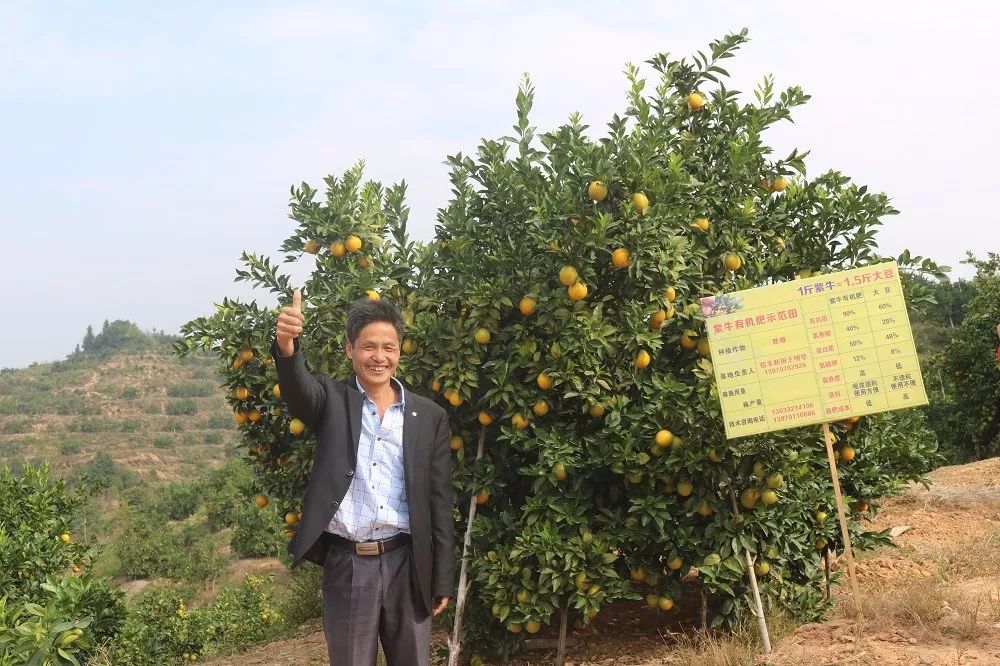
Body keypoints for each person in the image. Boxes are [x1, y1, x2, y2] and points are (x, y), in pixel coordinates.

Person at [273, 290, 454, 666]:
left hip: (407, 562)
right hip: (349, 563)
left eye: (389, 347)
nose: (379, 356)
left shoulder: (429, 416)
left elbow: (439, 501)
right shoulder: (331, 400)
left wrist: (441, 577)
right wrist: (287, 346)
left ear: (399, 352)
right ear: (349, 349)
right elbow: (298, 391)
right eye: (369, 346)